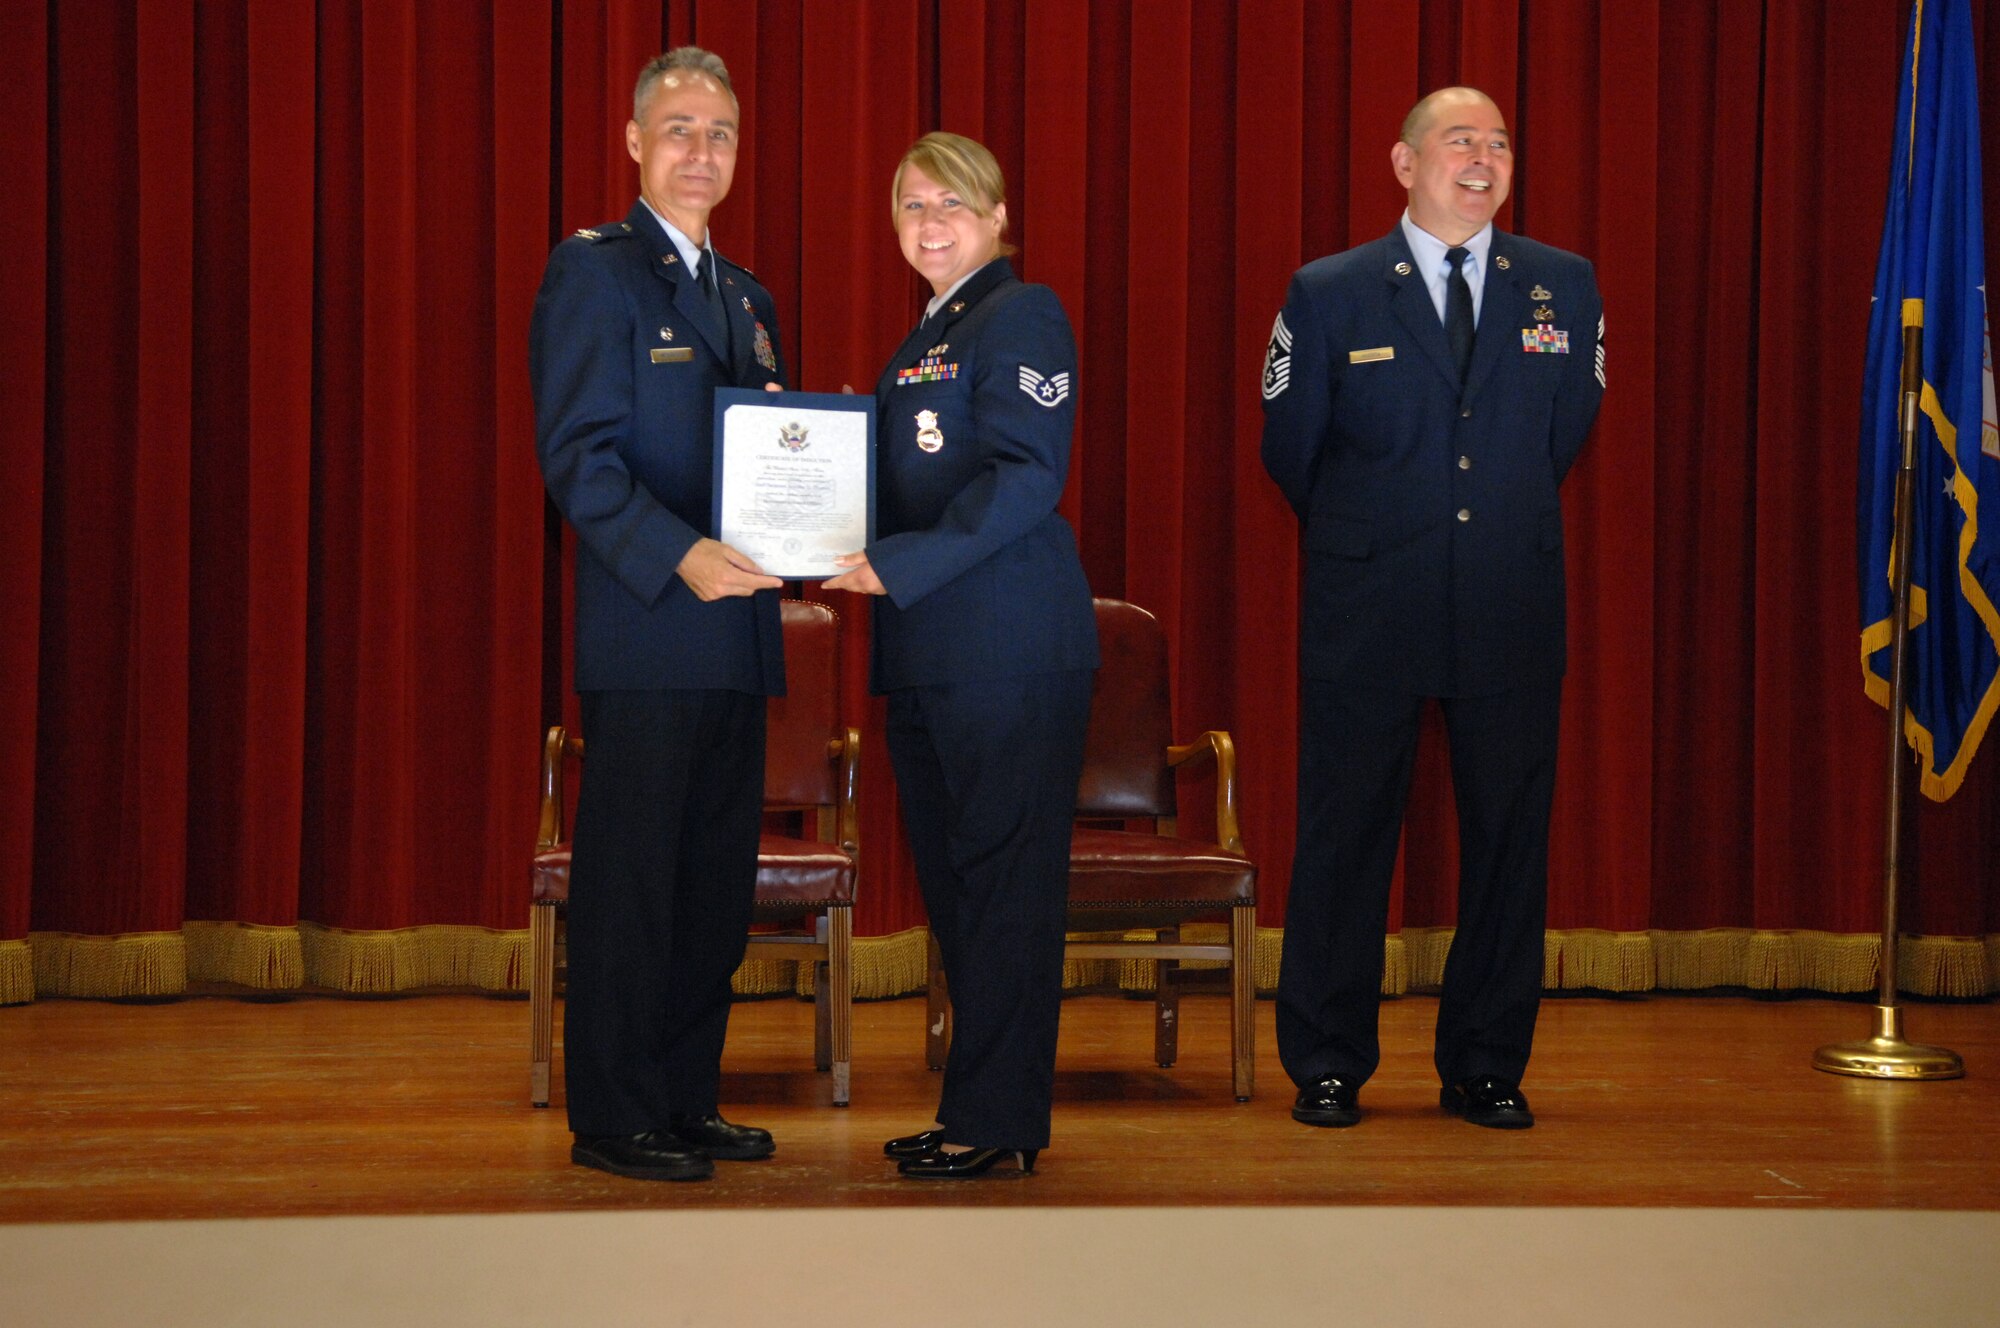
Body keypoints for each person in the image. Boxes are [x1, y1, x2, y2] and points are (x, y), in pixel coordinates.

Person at [1260, 87, 1604, 1131]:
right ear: (1404, 163)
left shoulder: (1561, 284)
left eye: (1499, 142)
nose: (1483, 157)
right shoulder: (1330, 290)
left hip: (1507, 598)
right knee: (1344, 836)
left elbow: (1565, 430)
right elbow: (1292, 449)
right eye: (1460, 140)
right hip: (1369, 601)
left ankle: (1485, 1064)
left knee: (1508, 840)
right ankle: (1327, 1060)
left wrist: (1478, 523)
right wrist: (1382, 529)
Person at [528, 47, 789, 1181]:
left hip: (736, 637)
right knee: (632, 884)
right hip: (648, 628)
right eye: (678, 129)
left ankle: (686, 1096)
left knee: (711, 890)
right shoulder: (596, 273)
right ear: (635, 142)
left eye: (719, 133)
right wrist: (678, 553)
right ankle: (614, 1113)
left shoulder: (748, 296)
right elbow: (577, 460)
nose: (700, 151)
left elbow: (770, 461)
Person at [824, 132, 1099, 1179]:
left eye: (952, 203)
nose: (930, 222)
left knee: (1005, 894)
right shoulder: (927, 337)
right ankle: (973, 1111)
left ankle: (997, 1121)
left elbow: (1026, 475)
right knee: (962, 894)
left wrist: (893, 563)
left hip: (1006, 652)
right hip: (933, 654)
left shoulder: (1019, 314)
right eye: (912, 205)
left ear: (996, 217)